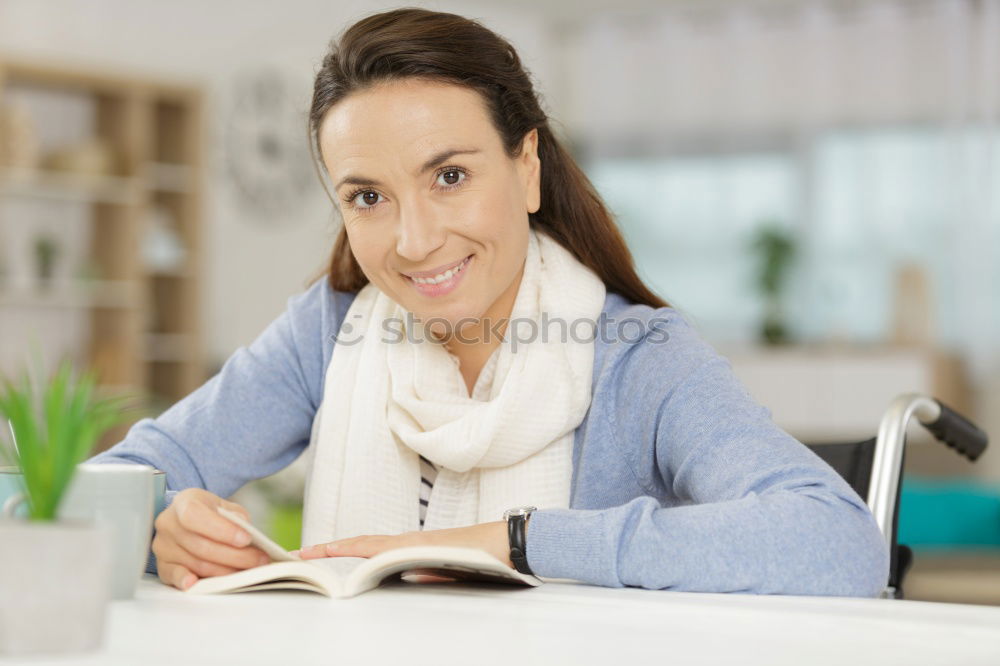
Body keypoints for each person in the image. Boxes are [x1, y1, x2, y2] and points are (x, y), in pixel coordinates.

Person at [89, 7, 889, 597]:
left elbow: (837, 539)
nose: (413, 240)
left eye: (449, 176)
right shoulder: (329, 330)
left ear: (528, 165)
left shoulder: (636, 354)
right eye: (368, 196)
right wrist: (161, 527)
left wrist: (516, 541)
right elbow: (115, 480)